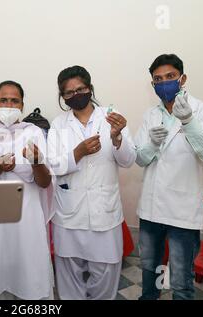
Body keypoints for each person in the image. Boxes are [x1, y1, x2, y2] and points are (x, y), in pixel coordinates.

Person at [135, 54, 203, 300]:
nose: (164, 83)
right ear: (153, 85)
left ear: (183, 78)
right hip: (151, 208)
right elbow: (140, 159)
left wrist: (189, 121)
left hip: (182, 210)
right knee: (150, 269)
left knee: (181, 279)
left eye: (170, 77)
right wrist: (151, 144)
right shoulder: (150, 115)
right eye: (158, 79)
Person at [47, 66, 136, 300]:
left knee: (106, 271)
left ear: (90, 88)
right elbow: (52, 166)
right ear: (62, 97)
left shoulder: (111, 116)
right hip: (69, 213)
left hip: (104, 211)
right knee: (68, 272)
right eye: (68, 93)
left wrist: (117, 138)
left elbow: (128, 160)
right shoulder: (58, 124)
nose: (75, 95)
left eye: (80, 89)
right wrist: (77, 153)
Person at [0, 81, 55, 300]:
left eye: (14, 101)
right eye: (3, 100)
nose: (9, 105)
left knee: (29, 273)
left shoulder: (34, 132)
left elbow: (44, 182)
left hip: (27, 216)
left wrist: (37, 162)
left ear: (22, 105)